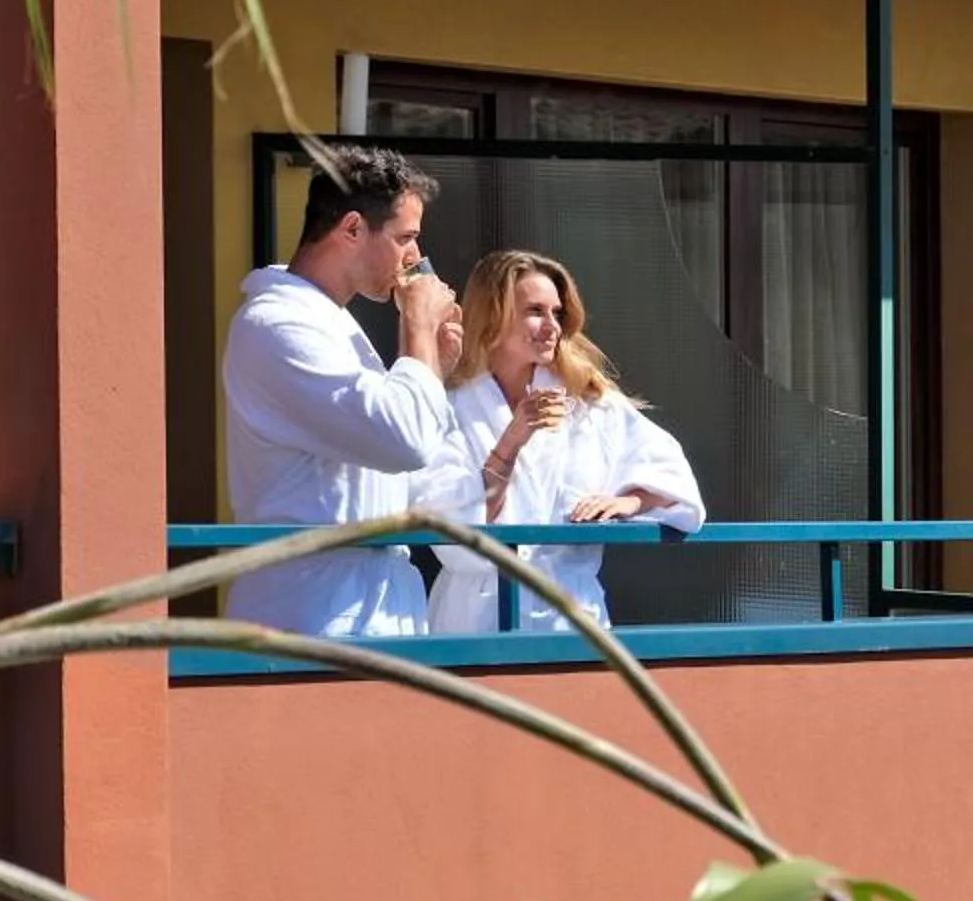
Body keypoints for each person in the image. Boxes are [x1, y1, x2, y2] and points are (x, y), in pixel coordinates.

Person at [222, 147, 464, 636]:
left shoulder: (332, 324)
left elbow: (410, 471)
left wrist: (431, 368)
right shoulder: (277, 326)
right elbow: (404, 441)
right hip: (315, 613)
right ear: (352, 228)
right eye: (405, 238)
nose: (415, 257)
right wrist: (418, 327)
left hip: (371, 607)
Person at [424, 249, 704, 634]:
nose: (551, 326)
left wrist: (630, 501)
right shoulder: (450, 407)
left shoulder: (589, 405)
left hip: (571, 619)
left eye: (557, 313)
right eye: (535, 311)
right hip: (477, 620)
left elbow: (671, 475)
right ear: (493, 316)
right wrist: (512, 440)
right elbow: (451, 531)